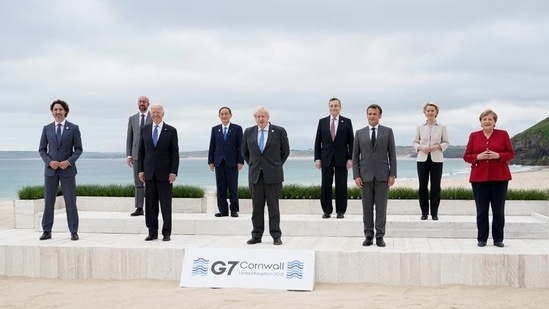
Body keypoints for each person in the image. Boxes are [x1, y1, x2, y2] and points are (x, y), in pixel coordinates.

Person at [463, 109, 514, 248]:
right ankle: (482, 239)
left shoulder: (503, 134)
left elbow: (510, 153)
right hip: (479, 179)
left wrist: (498, 155)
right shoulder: (474, 136)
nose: (487, 121)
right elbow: (467, 156)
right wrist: (477, 157)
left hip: (500, 177)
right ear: (480, 122)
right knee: (481, 210)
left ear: (494, 122)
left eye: (490, 119)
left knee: (498, 210)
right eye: (484, 119)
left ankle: (498, 239)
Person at [241, 106, 290, 246]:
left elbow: (285, 152)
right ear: (255, 118)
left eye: (263, 116)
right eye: (258, 116)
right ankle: (256, 235)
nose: (261, 119)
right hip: (255, 175)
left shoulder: (279, 131)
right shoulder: (248, 132)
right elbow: (244, 152)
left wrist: (276, 165)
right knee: (257, 208)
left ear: (268, 117)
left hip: (273, 175)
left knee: (273, 207)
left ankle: (276, 235)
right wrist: (253, 164)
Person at [352, 104, 397, 247]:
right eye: (370, 114)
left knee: (381, 208)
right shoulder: (359, 133)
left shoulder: (388, 132)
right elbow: (355, 157)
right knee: (366, 208)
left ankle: (380, 236)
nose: (372, 116)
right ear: (367, 115)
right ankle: (368, 235)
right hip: (364, 176)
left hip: (383, 176)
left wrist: (392, 174)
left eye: (374, 114)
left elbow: (393, 155)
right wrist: (356, 175)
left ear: (379, 116)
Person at [38, 99, 83, 241]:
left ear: (65, 112)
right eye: (55, 110)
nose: (58, 112)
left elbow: (78, 149)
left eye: (60, 109)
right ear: (52, 112)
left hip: (67, 171)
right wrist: (49, 162)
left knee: (70, 202)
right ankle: (46, 230)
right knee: (49, 201)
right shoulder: (46, 128)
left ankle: (74, 231)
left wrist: (68, 162)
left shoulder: (74, 128)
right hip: (50, 171)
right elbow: (42, 149)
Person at [138, 104, 179, 242]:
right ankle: (152, 232)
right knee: (150, 205)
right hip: (149, 173)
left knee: (166, 205)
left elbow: (175, 154)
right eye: (153, 112)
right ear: (150, 114)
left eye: (158, 112)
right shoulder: (144, 130)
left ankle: (166, 233)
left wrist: (173, 172)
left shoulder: (171, 131)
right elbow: (141, 152)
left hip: (165, 174)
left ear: (163, 114)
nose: (155, 114)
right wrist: (141, 170)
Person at [314, 98, 354, 219]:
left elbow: (351, 142)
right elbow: (317, 142)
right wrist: (317, 158)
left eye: (336, 106)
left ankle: (340, 211)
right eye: (331, 106)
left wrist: (350, 158)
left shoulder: (346, 122)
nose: (333, 108)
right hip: (326, 158)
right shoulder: (322, 122)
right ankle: (327, 210)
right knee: (326, 185)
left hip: (342, 159)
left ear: (340, 107)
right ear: (329, 107)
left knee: (341, 185)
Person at [412, 102, 450, 220]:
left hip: (437, 159)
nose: (430, 113)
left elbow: (446, 142)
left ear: (436, 112)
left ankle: (434, 213)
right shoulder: (420, 127)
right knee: (422, 186)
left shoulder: (442, 127)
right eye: (428, 111)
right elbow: (414, 142)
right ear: (424, 112)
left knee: (435, 186)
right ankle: (424, 213)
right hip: (422, 159)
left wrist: (438, 147)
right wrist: (420, 147)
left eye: (432, 111)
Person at [208, 107, 244, 217]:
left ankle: (234, 210)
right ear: (219, 116)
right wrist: (211, 161)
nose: (224, 116)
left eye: (226, 114)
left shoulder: (237, 129)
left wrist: (240, 161)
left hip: (232, 162)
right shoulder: (215, 129)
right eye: (222, 114)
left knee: (233, 186)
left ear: (230, 115)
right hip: (219, 162)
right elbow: (212, 146)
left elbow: (241, 146)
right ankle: (223, 210)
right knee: (221, 187)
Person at [126, 95, 152, 216]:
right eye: (140, 101)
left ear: (148, 104)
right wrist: (128, 155)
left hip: (150, 155)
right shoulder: (132, 118)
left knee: (150, 182)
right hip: (136, 155)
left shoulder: (153, 117)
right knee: (138, 182)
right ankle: (139, 207)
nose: (142, 103)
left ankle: (151, 207)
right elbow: (129, 138)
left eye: (144, 102)